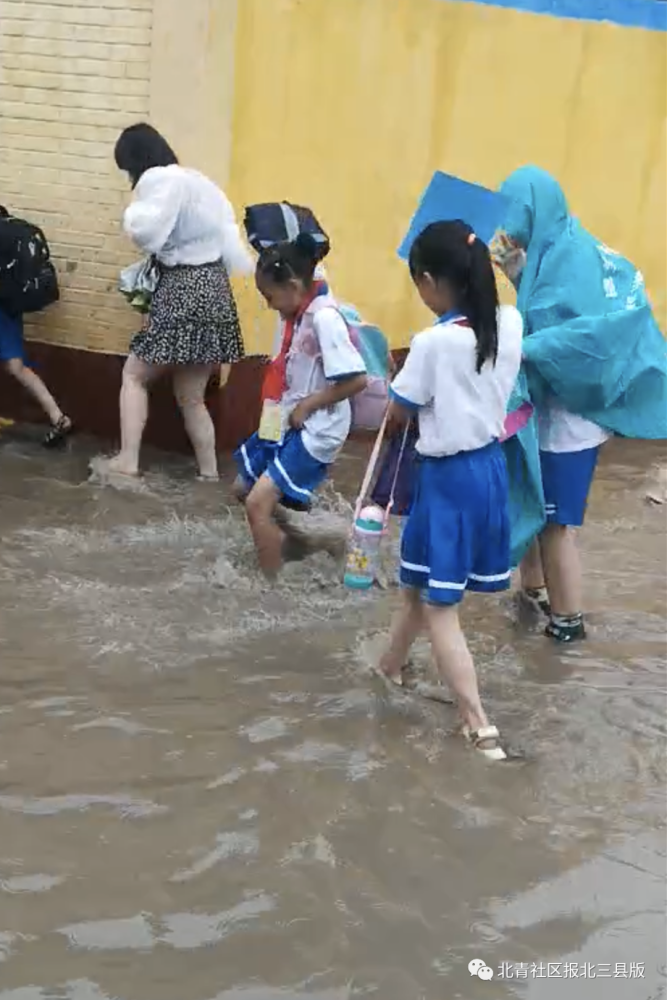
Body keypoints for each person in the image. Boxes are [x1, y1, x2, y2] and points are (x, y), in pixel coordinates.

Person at [493, 165, 667, 643]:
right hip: (550, 409)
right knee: (531, 493)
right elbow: (552, 310)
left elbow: (575, 337)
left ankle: (568, 623)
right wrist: (517, 275)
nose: (509, 227)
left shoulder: (568, 262)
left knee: (556, 524)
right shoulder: (558, 246)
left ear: (538, 210)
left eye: (517, 214)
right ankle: (534, 592)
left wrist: (520, 348)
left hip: (570, 418)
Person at [377, 220, 524, 762]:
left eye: (418, 281)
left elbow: (398, 412)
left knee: (442, 606)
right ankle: (388, 668)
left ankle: (477, 723)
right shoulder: (509, 322)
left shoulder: (434, 342)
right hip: (487, 471)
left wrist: (396, 379)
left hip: (445, 479)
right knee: (418, 585)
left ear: (433, 282)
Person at [100, 122, 253, 480]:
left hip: (183, 286)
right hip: (215, 288)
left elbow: (147, 234)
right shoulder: (200, 183)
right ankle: (209, 473)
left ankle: (128, 460)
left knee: (135, 375)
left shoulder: (160, 181)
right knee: (192, 395)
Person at [233, 233, 367, 578]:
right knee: (242, 488)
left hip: (315, 426)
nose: (268, 305)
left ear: (293, 285)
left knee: (257, 504)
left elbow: (356, 380)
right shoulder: (297, 305)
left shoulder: (324, 318)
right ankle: (315, 540)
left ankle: (271, 588)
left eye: (269, 296)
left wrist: (310, 404)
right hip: (281, 414)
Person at [0, 207, 72, 447]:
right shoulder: (15, 231)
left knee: (15, 366)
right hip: (10, 306)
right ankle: (58, 417)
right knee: (16, 366)